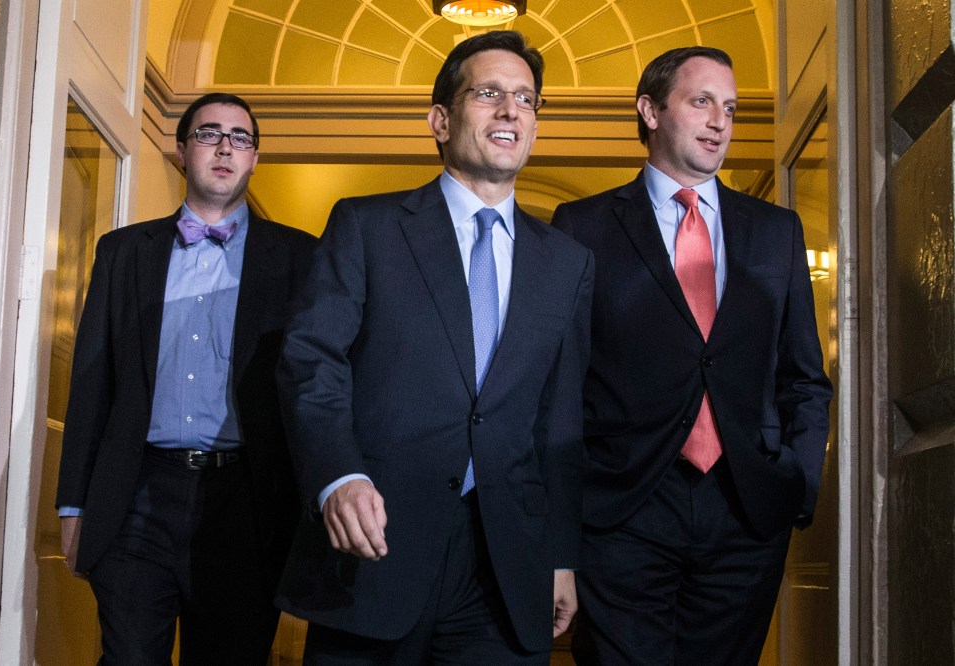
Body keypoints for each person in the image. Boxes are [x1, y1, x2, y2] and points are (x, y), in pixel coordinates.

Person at [276, 30, 594, 665]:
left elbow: (558, 420)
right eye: (489, 94)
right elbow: (311, 359)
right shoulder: (366, 226)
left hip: (506, 566)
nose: (511, 111)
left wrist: (561, 555)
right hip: (377, 547)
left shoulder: (568, 262)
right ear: (440, 121)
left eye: (525, 99)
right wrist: (338, 474)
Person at [551, 46, 833, 665]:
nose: (719, 122)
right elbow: (560, 384)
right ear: (650, 111)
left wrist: (797, 482)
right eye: (701, 101)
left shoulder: (777, 230)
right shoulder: (581, 227)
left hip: (746, 509)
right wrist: (562, 525)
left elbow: (804, 378)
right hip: (622, 510)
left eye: (729, 108)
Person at [55, 92, 317, 664]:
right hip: (138, 494)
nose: (225, 147)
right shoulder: (123, 253)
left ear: (255, 158)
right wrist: (73, 507)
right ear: (181, 151)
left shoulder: (301, 258)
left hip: (246, 502)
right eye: (208, 134)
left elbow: (315, 390)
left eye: (240, 138)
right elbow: (92, 385)